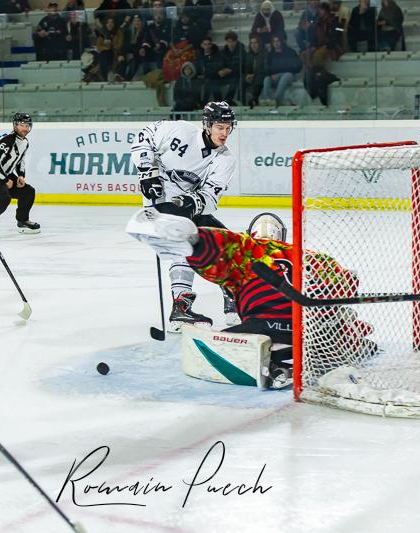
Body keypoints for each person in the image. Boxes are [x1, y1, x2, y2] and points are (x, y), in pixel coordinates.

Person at [127, 210, 376, 388]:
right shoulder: (312, 255)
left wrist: (195, 240)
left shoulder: (247, 247)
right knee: (341, 331)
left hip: (263, 323)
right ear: (283, 233)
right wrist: (352, 330)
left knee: (215, 340)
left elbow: (217, 250)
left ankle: (274, 361)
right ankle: (313, 352)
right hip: (310, 328)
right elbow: (347, 284)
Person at [130, 101, 239, 330]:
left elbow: (210, 198)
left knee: (227, 242)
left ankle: (232, 298)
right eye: (220, 127)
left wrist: (192, 202)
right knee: (184, 242)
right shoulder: (179, 131)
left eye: (228, 128)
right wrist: (146, 170)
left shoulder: (225, 159)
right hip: (158, 205)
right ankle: (181, 307)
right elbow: (144, 136)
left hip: (187, 209)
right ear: (207, 125)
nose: (224, 133)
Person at [0, 113, 40, 238]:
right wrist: (5, 179)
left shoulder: (24, 142)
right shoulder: (8, 140)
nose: (25, 128)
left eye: (27, 125)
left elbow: (20, 160)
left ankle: (23, 221)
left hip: (4, 173)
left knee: (28, 192)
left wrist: (21, 175)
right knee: (3, 198)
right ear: (15, 125)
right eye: (22, 125)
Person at [260, 33, 301, 107]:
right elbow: (267, 68)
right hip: (275, 77)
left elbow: (297, 66)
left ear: (281, 41)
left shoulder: (290, 52)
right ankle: (266, 100)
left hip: (289, 76)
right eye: (274, 41)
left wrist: (279, 74)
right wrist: (271, 75)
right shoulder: (270, 54)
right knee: (267, 79)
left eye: (278, 41)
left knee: (286, 76)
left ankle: (276, 100)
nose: (276, 43)